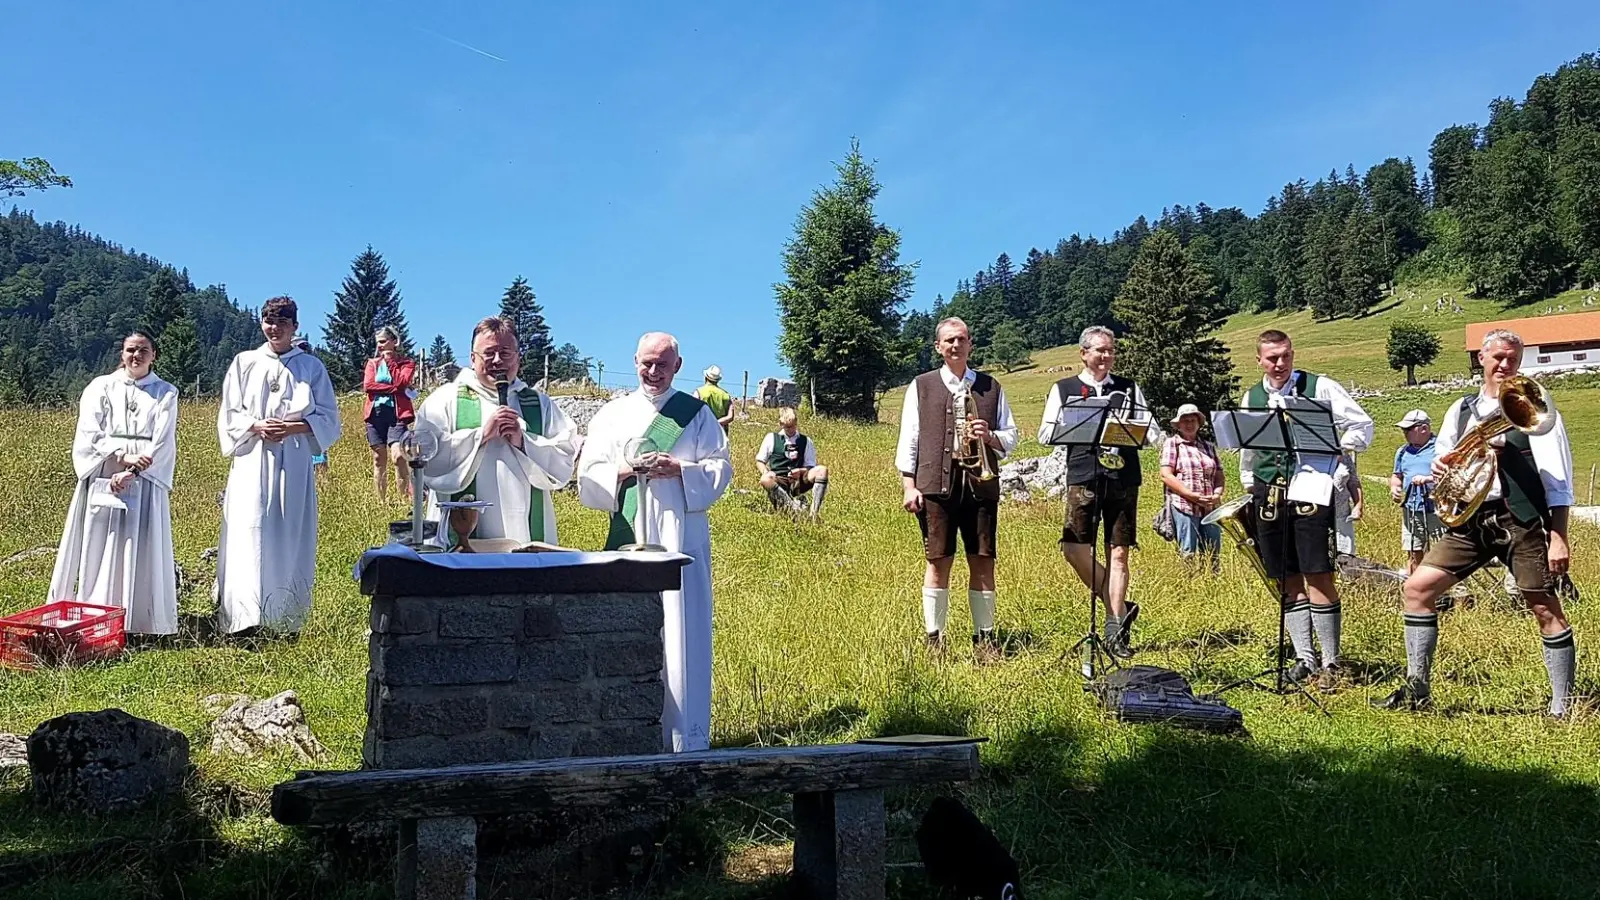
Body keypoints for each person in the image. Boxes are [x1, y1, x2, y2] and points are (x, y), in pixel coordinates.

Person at [1376, 329, 1577, 715]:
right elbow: (1449, 458)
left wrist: (1559, 536)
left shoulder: (1536, 409)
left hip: (1520, 519)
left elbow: (1558, 480)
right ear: (1481, 359)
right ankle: (1417, 692)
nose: (1505, 365)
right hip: (1471, 520)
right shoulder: (1461, 409)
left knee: (1543, 607)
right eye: (1498, 357)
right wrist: (1440, 465)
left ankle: (1562, 706)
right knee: (1417, 589)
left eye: (1513, 359)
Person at [579, 332, 732, 751]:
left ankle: (684, 740)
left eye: (662, 364)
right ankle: (625, 735)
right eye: (646, 363)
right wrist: (625, 470)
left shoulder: (696, 414)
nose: (653, 371)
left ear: (677, 366)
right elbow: (588, 473)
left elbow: (720, 470)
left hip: (682, 537)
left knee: (684, 634)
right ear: (634, 361)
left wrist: (680, 468)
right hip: (630, 534)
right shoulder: (612, 414)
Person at [1239, 329, 1373, 689]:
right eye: (1271, 358)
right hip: (1270, 493)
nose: (1279, 363)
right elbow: (1248, 451)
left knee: (1317, 572)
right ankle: (1304, 658)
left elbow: (1362, 425)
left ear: (1293, 354)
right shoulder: (1251, 397)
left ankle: (1331, 661)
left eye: (1285, 356)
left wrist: (1337, 459)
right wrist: (1250, 483)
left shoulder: (1321, 387)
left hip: (1313, 486)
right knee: (1285, 576)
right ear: (1259, 360)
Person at [215, 297, 341, 635]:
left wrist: (292, 427)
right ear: (262, 324)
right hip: (253, 456)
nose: (275, 328)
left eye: (282, 322)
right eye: (270, 321)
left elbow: (329, 418)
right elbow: (230, 412)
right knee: (249, 527)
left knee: (288, 530)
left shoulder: (311, 368)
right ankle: (243, 618)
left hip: (294, 457)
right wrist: (256, 426)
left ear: (294, 326)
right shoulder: (245, 362)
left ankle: (285, 619)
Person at [897, 317, 1018, 663]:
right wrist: (909, 485)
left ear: (970, 345)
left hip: (981, 486)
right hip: (936, 485)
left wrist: (990, 436)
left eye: (961, 340)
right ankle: (935, 639)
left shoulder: (991, 387)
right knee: (938, 561)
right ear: (938, 347)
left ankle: (985, 639)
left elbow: (1012, 436)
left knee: (983, 560)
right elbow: (910, 438)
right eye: (949, 340)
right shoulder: (921, 386)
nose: (955, 345)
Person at [1037, 326, 1161, 658]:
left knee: (1118, 552)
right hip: (1084, 475)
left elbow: (1153, 435)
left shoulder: (1129, 388)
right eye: (1099, 350)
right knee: (1074, 549)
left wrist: (1137, 427)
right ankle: (1119, 607)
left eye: (1110, 350)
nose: (1106, 356)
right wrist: (1077, 423)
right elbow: (1045, 434)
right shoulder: (1063, 389)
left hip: (1124, 478)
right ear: (1084, 353)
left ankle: (1113, 628)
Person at [47, 330, 180, 636]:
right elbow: (89, 431)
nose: (137, 355)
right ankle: (95, 615)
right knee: (99, 543)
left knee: (140, 544)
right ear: (122, 354)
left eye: (143, 350)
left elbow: (162, 441)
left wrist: (133, 471)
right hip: (105, 471)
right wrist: (120, 456)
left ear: (154, 354)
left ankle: (140, 621)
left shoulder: (166, 393)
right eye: (131, 350)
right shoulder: (100, 387)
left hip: (143, 479)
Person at [415, 316, 579, 549]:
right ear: (472, 359)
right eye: (489, 353)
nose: (497, 360)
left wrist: (524, 442)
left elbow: (564, 460)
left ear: (518, 358)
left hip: (525, 530)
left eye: (505, 352)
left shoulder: (539, 405)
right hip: (458, 536)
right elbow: (425, 459)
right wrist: (480, 436)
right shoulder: (444, 400)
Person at [1158, 403, 1224, 564]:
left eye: (1192, 420)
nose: (1189, 424)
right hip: (1184, 505)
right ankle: (1188, 583)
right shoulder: (1172, 444)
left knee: (1213, 552)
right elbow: (1166, 475)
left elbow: (1219, 475)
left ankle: (1210, 584)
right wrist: (1190, 495)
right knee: (1188, 551)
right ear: (1178, 425)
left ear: (1198, 423)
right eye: (1185, 420)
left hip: (1209, 506)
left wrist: (1217, 494)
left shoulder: (1208, 447)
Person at [363, 326, 416, 505]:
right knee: (379, 458)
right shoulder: (372, 363)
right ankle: (381, 502)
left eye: (383, 342)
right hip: (375, 414)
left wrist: (391, 361)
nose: (380, 346)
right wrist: (393, 389)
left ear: (394, 342)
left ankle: (403, 499)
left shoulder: (406, 363)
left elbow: (402, 381)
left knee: (398, 456)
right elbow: (368, 386)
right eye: (378, 342)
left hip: (397, 414)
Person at [1389, 409, 1442, 575]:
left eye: (1408, 429)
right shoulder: (1403, 451)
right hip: (1411, 508)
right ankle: (1415, 584)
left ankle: (1456, 592)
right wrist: (1395, 488)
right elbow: (1397, 475)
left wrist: (1427, 479)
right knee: (1413, 549)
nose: (1404, 433)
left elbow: (1451, 474)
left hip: (1437, 509)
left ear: (1424, 429)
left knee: (1443, 551)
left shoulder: (1440, 447)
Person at [755, 407, 830, 519]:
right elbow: (760, 460)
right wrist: (765, 471)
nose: (791, 429)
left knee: (822, 470)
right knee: (765, 478)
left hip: (798, 480)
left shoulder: (806, 440)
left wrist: (801, 471)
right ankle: (793, 508)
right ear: (781, 424)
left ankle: (813, 515)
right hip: (779, 479)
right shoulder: (771, 438)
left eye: (794, 425)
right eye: (788, 427)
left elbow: (810, 466)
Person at [1331, 452, 1364, 559]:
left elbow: (1353, 482)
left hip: (1342, 516)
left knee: (1345, 557)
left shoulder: (1345, 456)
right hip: (1316, 517)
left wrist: (1358, 505)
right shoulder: (1310, 454)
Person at [693, 365, 734, 432]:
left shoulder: (699, 392)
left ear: (706, 377)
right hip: (720, 432)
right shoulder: (725, 395)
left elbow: (693, 412)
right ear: (717, 380)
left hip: (702, 430)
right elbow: (730, 416)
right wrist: (716, 423)